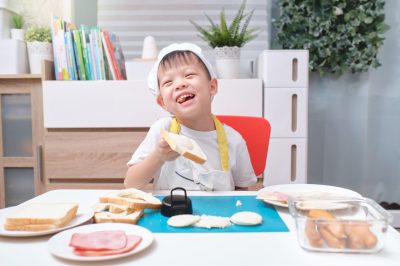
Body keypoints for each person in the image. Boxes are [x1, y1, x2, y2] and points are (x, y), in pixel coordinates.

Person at [124, 43, 256, 191]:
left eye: (189, 75)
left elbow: (242, 192)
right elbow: (131, 184)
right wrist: (158, 156)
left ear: (212, 86)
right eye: (168, 82)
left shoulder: (234, 140)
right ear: (162, 102)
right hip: (171, 214)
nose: (180, 84)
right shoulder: (162, 130)